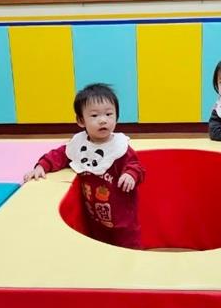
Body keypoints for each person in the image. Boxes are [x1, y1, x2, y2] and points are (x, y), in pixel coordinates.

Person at [24, 84, 144, 249]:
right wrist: (42, 166)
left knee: (128, 247)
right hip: (94, 216)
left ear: (116, 116)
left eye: (109, 114)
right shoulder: (79, 144)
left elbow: (136, 166)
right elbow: (60, 155)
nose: (103, 120)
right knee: (99, 246)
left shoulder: (119, 147)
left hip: (122, 218)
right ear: (81, 121)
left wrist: (130, 174)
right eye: (94, 115)